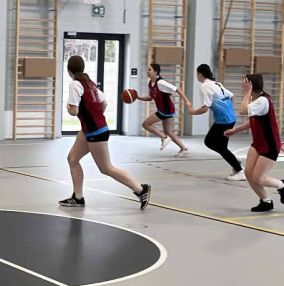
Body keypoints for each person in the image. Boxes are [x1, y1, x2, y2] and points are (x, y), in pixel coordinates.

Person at [60, 54, 151, 209]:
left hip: (95, 132)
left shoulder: (75, 84)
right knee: (72, 159)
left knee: (106, 168)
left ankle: (141, 189)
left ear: (69, 71)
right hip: (90, 130)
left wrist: (69, 107)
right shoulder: (89, 83)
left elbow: (74, 111)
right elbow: (104, 104)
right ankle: (78, 197)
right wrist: (94, 117)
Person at [239, 73, 284, 213]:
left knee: (258, 178)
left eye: (245, 83)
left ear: (251, 85)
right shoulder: (256, 101)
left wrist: (247, 93)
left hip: (269, 145)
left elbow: (242, 110)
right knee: (248, 173)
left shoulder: (262, 101)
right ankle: (265, 201)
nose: (242, 85)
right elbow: (252, 121)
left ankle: (283, 185)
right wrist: (235, 130)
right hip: (257, 143)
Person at [191, 63, 244, 181]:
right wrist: (227, 109)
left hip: (223, 121)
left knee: (209, 142)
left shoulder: (205, 86)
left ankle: (239, 170)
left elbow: (205, 108)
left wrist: (192, 112)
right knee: (222, 147)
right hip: (230, 118)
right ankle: (236, 165)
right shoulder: (217, 83)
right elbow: (232, 96)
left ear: (200, 74)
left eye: (197, 74)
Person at [136, 63, 192, 156]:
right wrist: (137, 97)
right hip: (164, 110)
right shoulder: (151, 83)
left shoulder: (160, 82)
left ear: (156, 72)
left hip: (166, 110)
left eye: (150, 70)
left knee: (146, 124)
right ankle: (183, 148)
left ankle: (163, 137)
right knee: (168, 131)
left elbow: (177, 89)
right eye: (147, 69)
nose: (147, 71)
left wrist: (187, 101)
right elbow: (149, 98)